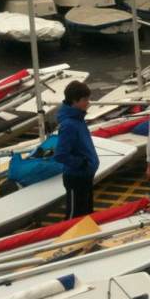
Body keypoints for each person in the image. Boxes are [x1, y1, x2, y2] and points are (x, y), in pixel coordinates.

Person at [55, 80, 99, 219]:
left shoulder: (78, 118)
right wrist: (81, 163)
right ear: (75, 101)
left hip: (85, 175)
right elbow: (60, 154)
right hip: (76, 177)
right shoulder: (69, 124)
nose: (88, 102)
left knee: (86, 215)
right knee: (74, 218)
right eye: (85, 99)